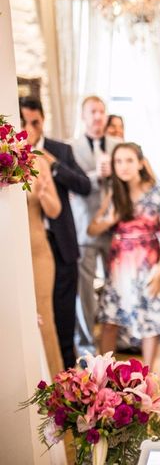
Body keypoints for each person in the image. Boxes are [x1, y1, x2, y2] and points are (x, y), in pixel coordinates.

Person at [88, 142, 160, 369]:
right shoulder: (114, 193)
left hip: (148, 265)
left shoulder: (156, 193)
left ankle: (148, 374)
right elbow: (92, 229)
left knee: (150, 322)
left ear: (140, 163)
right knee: (110, 321)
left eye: (129, 160)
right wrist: (111, 218)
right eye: (118, 161)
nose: (124, 166)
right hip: (119, 267)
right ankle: (103, 374)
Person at [20, 96, 92, 370]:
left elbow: (83, 186)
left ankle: (67, 377)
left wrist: (52, 166)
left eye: (34, 122)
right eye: (24, 122)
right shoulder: (10, 160)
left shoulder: (59, 150)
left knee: (62, 318)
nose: (30, 128)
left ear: (43, 120)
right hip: (27, 244)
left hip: (59, 244)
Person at [70, 96, 119, 356]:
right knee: (85, 292)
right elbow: (73, 183)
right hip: (85, 228)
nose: (98, 116)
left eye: (101, 111)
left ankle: (117, 342)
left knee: (117, 285)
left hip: (113, 228)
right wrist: (95, 175)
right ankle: (87, 348)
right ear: (83, 116)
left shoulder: (118, 145)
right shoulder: (72, 148)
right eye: (93, 112)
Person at [25, 154, 65, 377]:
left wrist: (42, 194)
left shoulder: (34, 161)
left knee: (44, 319)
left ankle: (55, 390)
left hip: (37, 252)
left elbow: (55, 210)